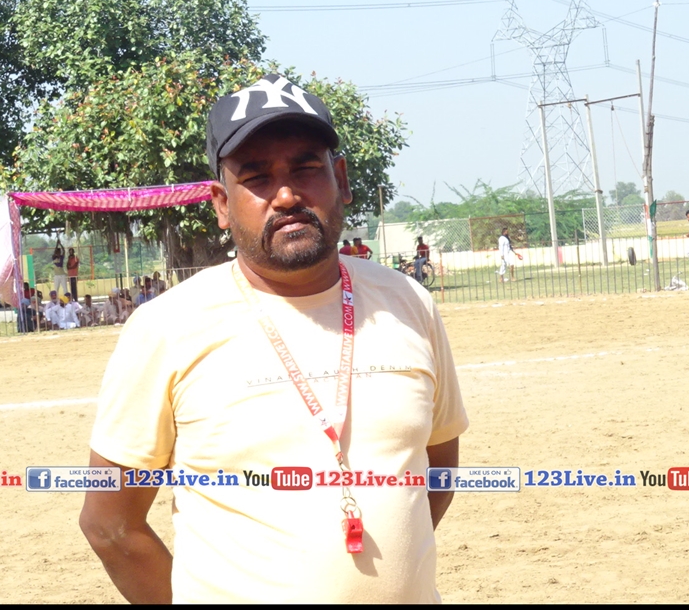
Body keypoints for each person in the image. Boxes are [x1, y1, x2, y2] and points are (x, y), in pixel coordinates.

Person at [80, 73, 467, 604]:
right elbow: (110, 525)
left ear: (340, 179)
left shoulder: (406, 303)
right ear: (221, 203)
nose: (286, 195)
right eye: (257, 177)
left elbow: (437, 469)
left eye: (306, 169)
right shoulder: (167, 327)